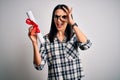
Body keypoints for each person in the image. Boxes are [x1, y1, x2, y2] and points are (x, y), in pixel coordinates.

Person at [28, 4, 92, 80]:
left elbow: (86, 45)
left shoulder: (75, 36)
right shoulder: (46, 40)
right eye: (56, 16)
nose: (59, 20)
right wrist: (35, 43)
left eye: (64, 17)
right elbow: (39, 66)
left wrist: (72, 23)